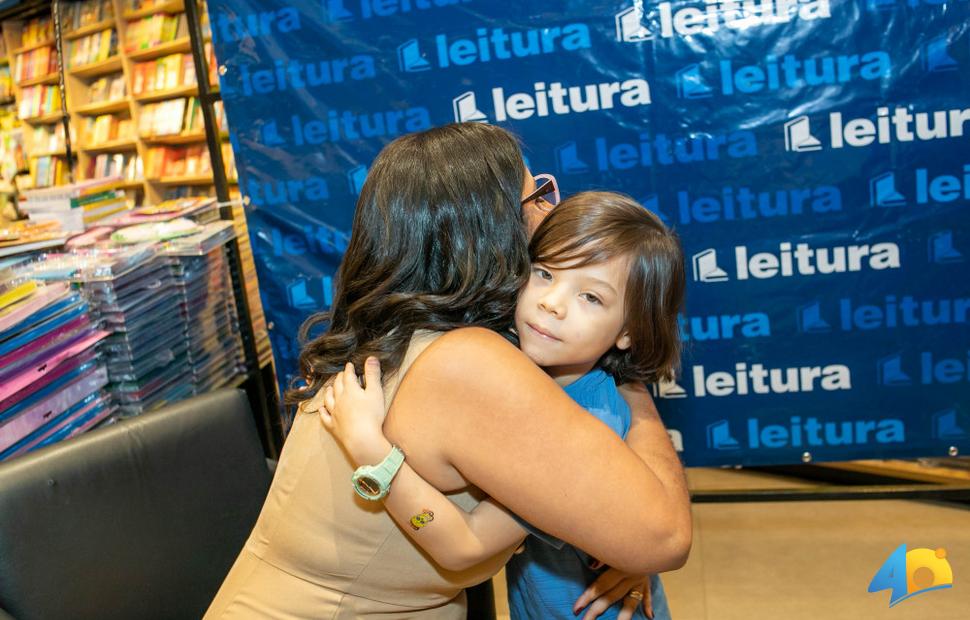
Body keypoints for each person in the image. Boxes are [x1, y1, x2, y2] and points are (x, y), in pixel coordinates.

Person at [204, 123, 691, 619]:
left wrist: (611, 538)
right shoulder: (469, 363)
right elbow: (665, 538)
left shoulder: (397, 329)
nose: (552, 209)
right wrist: (633, 392)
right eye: (538, 196)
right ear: (491, 231)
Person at [319, 191, 685, 620]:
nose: (552, 302)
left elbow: (463, 546)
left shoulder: (587, 424)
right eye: (544, 273)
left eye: (592, 298)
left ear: (629, 331)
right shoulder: (528, 369)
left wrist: (373, 455)